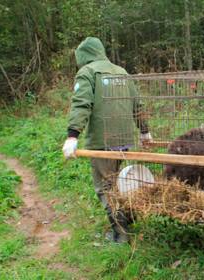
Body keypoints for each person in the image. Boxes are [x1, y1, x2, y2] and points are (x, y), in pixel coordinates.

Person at [62, 37, 151, 243]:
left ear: (83, 56)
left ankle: (120, 233)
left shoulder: (87, 73)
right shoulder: (122, 72)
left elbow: (81, 104)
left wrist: (72, 135)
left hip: (102, 143)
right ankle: (127, 219)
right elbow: (137, 104)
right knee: (121, 183)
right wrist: (145, 131)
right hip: (125, 140)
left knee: (106, 188)